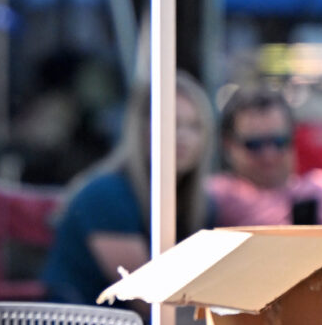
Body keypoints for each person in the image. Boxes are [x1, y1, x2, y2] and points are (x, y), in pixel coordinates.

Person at [43, 71, 214, 305]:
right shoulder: (106, 195)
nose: (183, 136)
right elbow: (152, 302)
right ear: (142, 129)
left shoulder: (202, 203)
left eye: (195, 126)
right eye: (172, 124)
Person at [208, 83, 322, 226]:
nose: (269, 155)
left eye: (279, 141)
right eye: (254, 144)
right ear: (228, 144)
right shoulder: (215, 197)